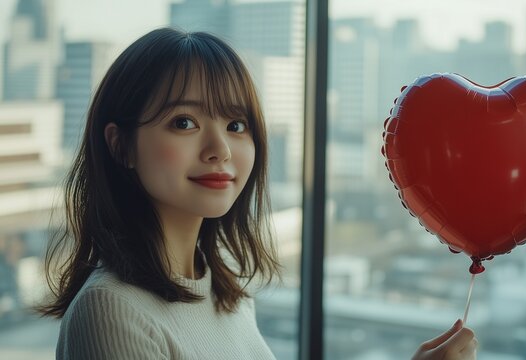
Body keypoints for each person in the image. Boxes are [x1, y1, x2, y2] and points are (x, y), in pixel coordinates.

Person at [32, 27, 478, 359]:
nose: (219, 149)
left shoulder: (226, 291)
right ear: (120, 145)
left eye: (235, 125)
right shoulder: (110, 311)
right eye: (184, 122)